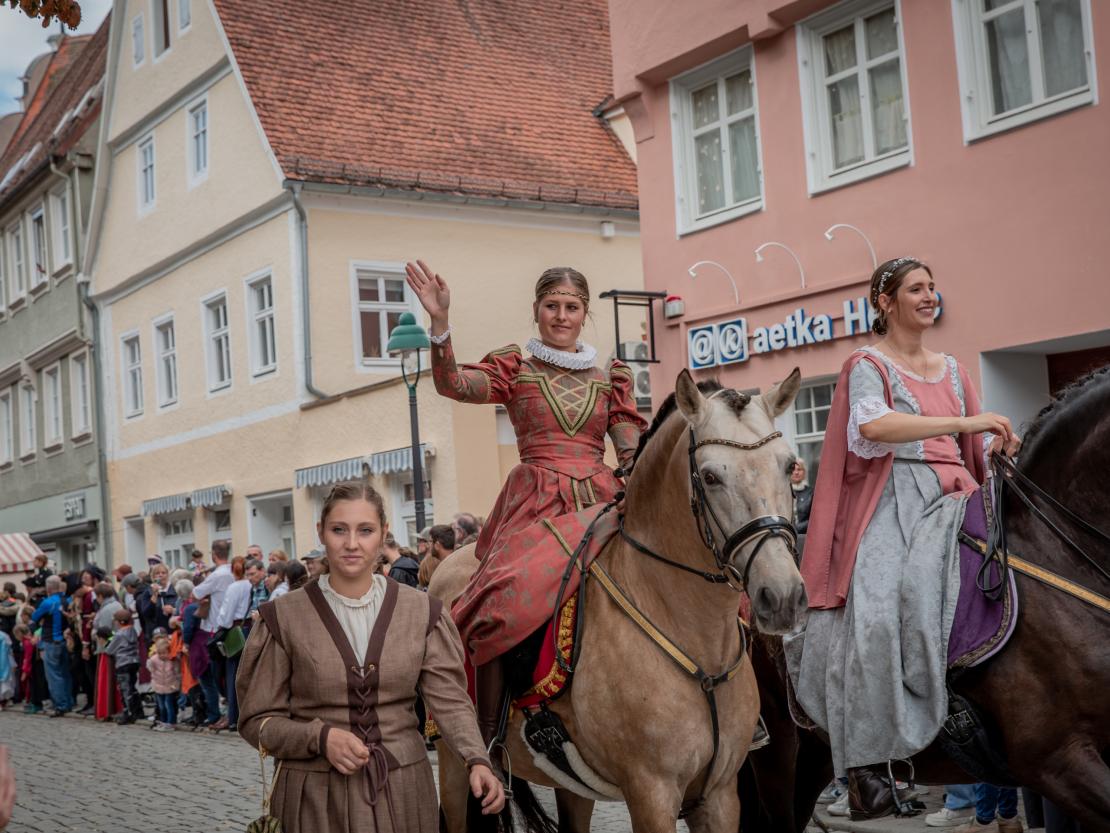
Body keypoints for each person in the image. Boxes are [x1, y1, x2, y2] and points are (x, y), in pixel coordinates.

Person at [784, 257, 1020, 820]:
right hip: (895, 499)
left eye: (933, 287)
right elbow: (873, 427)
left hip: (958, 493)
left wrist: (994, 445)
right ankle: (868, 768)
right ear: (885, 302)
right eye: (916, 288)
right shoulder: (868, 363)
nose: (930, 295)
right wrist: (966, 425)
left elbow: (971, 448)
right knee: (877, 609)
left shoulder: (953, 367)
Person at [406, 260, 647, 758]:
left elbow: (629, 447)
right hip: (534, 501)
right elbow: (454, 384)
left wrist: (638, 469)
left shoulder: (611, 376)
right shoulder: (517, 366)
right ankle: (492, 735)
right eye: (552, 306)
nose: (562, 315)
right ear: (536, 311)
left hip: (601, 497)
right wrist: (439, 324)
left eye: (572, 307)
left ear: (585, 314)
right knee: (505, 598)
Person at [236, 481, 504, 831]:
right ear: (321, 532)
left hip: (404, 794)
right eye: (338, 530)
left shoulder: (422, 612)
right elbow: (257, 722)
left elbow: (451, 701)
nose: (351, 543)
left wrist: (477, 759)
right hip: (313, 798)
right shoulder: (282, 618)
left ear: (383, 534)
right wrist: (319, 738)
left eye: (365, 530)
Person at [192, 539, 234, 728]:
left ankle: (225, 712)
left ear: (214, 555)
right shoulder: (233, 571)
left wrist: (201, 575)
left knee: (218, 674)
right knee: (227, 673)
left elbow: (196, 593)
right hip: (230, 626)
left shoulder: (217, 575)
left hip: (215, 628)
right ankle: (228, 711)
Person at [210, 555, 253, 732]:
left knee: (233, 674)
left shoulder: (235, 587)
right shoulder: (250, 585)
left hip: (236, 630)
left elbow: (226, 615)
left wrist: (219, 627)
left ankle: (234, 716)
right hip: (248, 627)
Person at [30, 575, 74, 717]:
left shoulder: (48, 602)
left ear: (48, 588)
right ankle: (68, 702)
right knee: (65, 673)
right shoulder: (68, 600)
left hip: (51, 641)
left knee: (54, 675)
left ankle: (60, 705)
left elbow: (35, 617)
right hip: (66, 640)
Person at [105, 607, 143, 724]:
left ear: (119, 622)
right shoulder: (132, 630)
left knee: (125, 689)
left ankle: (129, 713)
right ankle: (138, 711)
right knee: (132, 687)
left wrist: (109, 637)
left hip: (123, 663)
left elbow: (109, 650)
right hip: (134, 661)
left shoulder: (119, 634)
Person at [147, 635, 182, 731]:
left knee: (168, 704)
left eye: (164, 653)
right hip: (158, 686)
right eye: (160, 653)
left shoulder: (173, 660)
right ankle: (163, 721)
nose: (162, 655)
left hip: (170, 686)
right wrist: (150, 660)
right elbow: (150, 668)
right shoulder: (154, 659)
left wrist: (177, 683)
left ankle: (171, 722)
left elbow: (177, 672)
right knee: (161, 706)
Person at [791, 458, 814, 534]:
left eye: (799, 469)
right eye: (793, 469)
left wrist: (795, 529)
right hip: (785, 536)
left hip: (804, 536)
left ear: (804, 472)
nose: (796, 472)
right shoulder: (782, 492)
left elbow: (814, 518)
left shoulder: (811, 492)